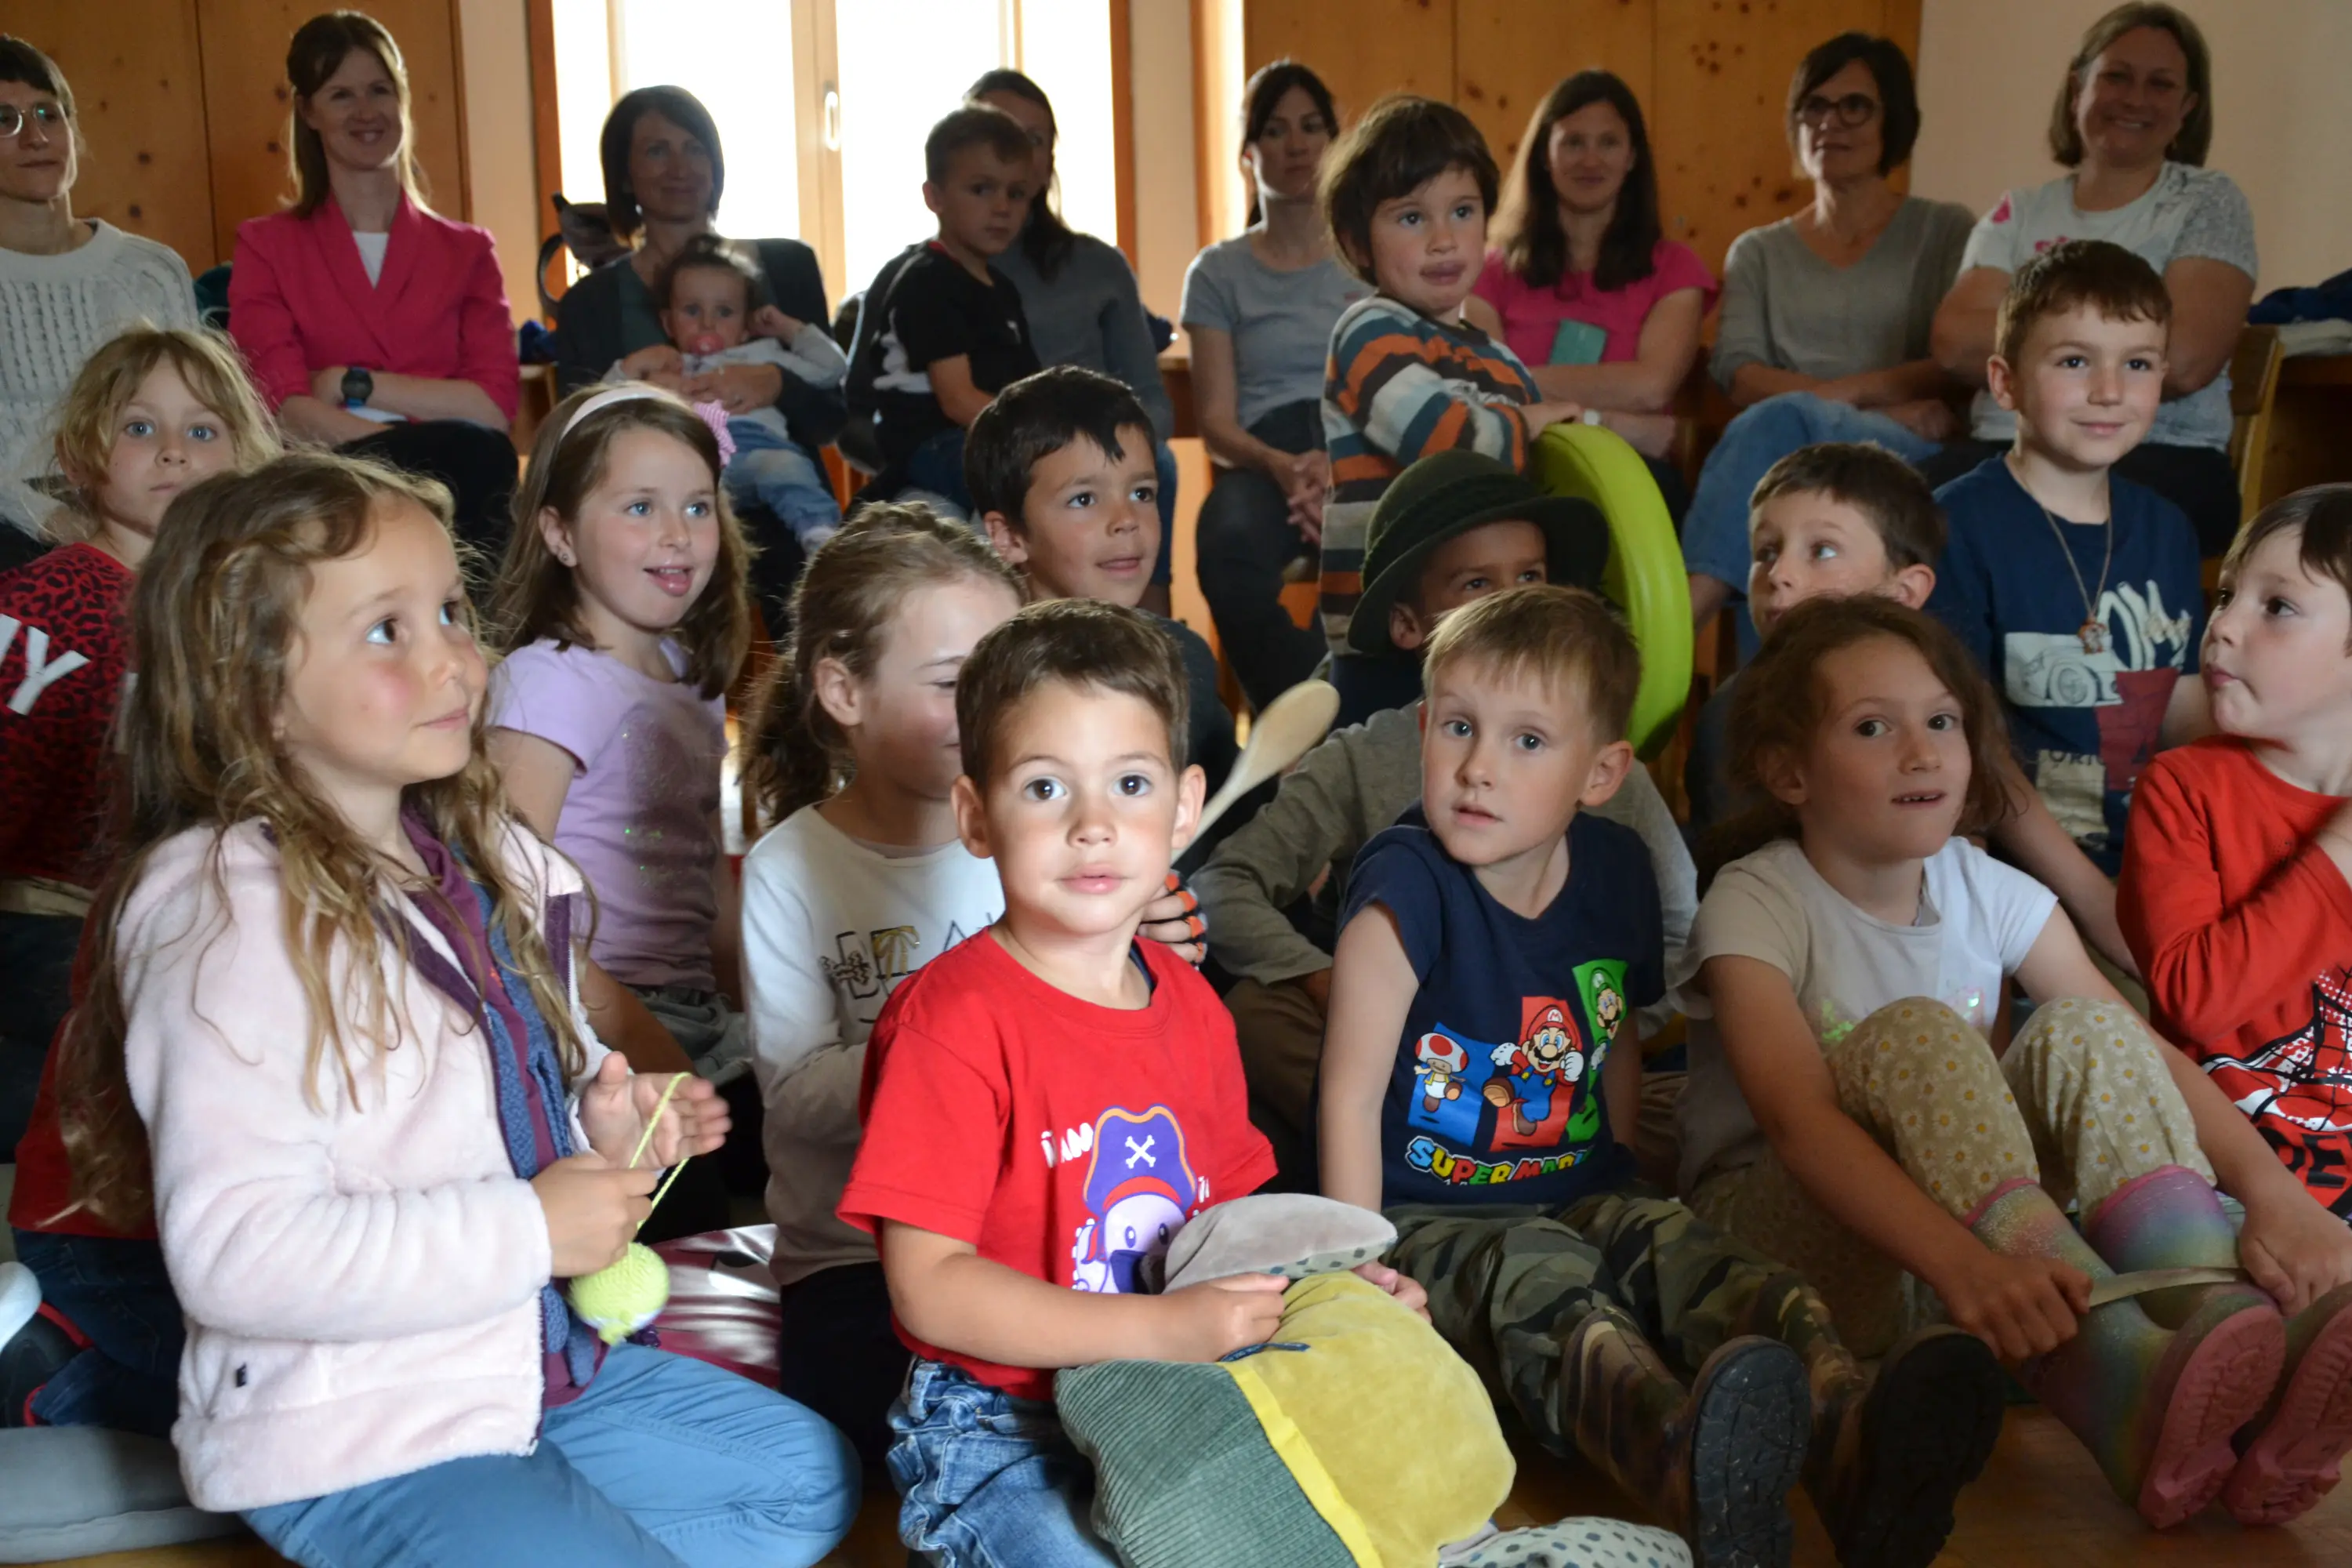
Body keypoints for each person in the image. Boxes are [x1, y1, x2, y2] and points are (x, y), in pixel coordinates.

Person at [33, 451, 858, 1564]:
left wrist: (599, 1133)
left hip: (520, 1373)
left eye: (452, 612)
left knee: (803, 1485)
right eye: (387, 630)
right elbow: (240, 1253)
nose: (455, 661)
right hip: (365, 1428)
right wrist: (533, 1228)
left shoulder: (469, 860)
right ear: (249, 686)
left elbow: (469, 1127)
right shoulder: (227, 915)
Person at [1319, 585, 2002, 1568]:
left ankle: (1854, 1438)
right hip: (1437, 1216)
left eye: (1526, 741)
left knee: (1710, 1264)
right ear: (1425, 728)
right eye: (1459, 728)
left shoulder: (1616, 870)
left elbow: (1617, 1037)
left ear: (1600, 773)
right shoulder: (1404, 885)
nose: (1476, 768)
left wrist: (1633, 1170)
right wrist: (1359, 1270)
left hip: (1585, 1186)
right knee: (1551, 1290)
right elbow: (1348, 1085)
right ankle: (1683, 1457)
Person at [1679, 593, 2352, 1530]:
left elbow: (2145, 1053)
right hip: (1787, 1262)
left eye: (1942, 721)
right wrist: (1967, 1263)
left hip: (1982, 1278)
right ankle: (2110, 1359)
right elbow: (1798, 1122)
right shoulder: (1755, 901)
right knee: (1924, 1031)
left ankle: (2207, 1340)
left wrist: (2276, 1193)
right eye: (1873, 726)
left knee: (2095, 1029)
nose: (1922, 751)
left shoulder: (1989, 889)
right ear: (1787, 771)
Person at [837, 597, 1424, 1566]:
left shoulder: (1194, 1005)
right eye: (1043, 788)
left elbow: (1235, 1220)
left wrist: (1330, 1288)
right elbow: (930, 1288)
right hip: (1001, 1426)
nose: (1094, 825)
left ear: (1185, 806)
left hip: (1179, 1384)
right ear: (976, 815)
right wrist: (1159, 1326)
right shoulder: (951, 1021)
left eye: (1131, 782)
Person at [1196, 450, 1690, 1192]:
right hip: (1408, 1065)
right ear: (1408, 623)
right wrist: (1322, 978)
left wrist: (1558, 1049)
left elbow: (1677, 942)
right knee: (1252, 1017)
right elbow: (1224, 882)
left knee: (1675, 1117)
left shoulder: (1607, 781)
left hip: (1555, 1067)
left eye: (1530, 578)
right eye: (1475, 587)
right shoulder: (1360, 759)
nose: (1510, 604)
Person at [1, 334, 276, 1436]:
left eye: (202, 430)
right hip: (50, 929)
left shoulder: (236, 608)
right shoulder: (64, 594)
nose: (173, 453)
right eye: (141, 429)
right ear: (81, 456)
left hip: (177, 929)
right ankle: (60, 1340)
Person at [735, 506, 1024, 1467]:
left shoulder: (1032, 840)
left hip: (1022, 1237)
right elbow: (800, 1097)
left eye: (1001, 677)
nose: (990, 711)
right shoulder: (787, 870)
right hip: (854, 1265)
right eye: (952, 684)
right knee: (956, 1429)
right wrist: (962, 1038)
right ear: (842, 688)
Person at [1688, 443, 2139, 978]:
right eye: (1766, 552)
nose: (1779, 574)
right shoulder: (1734, 717)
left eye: (1822, 550)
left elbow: (2056, 888)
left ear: (1906, 590)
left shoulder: (1946, 695)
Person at [486, 387, 752, 1109]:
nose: (678, 533)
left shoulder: (688, 676)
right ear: (561, 534)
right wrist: (640, 1038)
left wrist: (744, 1003)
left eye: (698, 507)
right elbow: (509, 895)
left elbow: (705, 876)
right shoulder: (547, 680)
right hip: (585, 1011)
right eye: (641, 507)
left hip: (694, 1008)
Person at [1924, 3, 2253, 557]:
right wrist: (2119, 337)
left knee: (2018, 518)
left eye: (2161, 84)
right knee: (1884, 512)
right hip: (2002, 445)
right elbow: (1954, 343)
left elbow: (2189, 355)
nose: (2134, 99)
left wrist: (2038, 330)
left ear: (2187, 107)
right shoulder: (2019, 212)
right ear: (2078, 88)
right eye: (2116, 76)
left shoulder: (2207, 203)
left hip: (2159, 453)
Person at [1680, 34, 1974, 642]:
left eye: (1854, 106)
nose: (1829, 123)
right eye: (1814, 106)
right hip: (1788, 454)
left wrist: (1829, 404)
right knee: (1779, 440)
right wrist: (1859, 401)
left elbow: (1952, 359)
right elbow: (1736, 368)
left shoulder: (1944, 229)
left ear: (1892, 119)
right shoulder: (1758, 251)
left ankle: (1679, 622)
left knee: (1779, 425)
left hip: (1904, 456)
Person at [1928, 241, 2206, 880]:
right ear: (2006, 382)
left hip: (2152, 863)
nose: (2109, 391)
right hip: (2013, 874)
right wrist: (2097, 906)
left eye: (2137, 363)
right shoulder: (1957, 527)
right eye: (2075, 360)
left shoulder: (2168, 531)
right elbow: (1971, 753)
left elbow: (2185, 718)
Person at [2123, 490, 2352, 1246]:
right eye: (2225, 597)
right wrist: (2340, 855)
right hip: (2218, 1176)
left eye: (2276, 606)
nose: (2221, 626)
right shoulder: (2184, 789)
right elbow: (2194, 998)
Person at [227, 12, 520, 561]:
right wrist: (394, 457)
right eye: (341, 95)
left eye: (379, 90)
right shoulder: (267, 245)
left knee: (479, 453)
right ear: (309, 113)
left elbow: (492, 407)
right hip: (325, 487)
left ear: (402, 101)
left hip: (463, 484)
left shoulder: (469, 251)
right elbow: (282, 409)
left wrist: (348, 380)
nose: (366, 112)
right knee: (471, 452)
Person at [552, 84, 840, 626]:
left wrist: (776, 382)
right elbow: (576, 436)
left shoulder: (788, 266)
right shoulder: (590, 303)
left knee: (813, 586)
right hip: (652, 511)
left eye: (695, 148)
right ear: (624, 175)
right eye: (656, 150)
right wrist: (646, 401)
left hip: (782, 492)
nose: (679, 166)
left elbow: (833, 413)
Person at [1315, 94, 1581, 660]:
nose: (1443, 239)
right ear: (1360, 241)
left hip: (1488, 632)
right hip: (1386, 640)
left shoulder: (1502, 362)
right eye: (1412, 218)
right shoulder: (1369, 331)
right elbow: (1445, 449)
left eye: (1463, 212)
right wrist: (1530, 422)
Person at [1181, 59, 1367, 710]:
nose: (1296, 145)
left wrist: (1342, 468)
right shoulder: (1217, 272)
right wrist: (1286, 467)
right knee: (1225, 545)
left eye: (1313, 127)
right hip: (1263, 458)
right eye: (1277, 130)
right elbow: (1216, 425)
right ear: (1248, 154)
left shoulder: (1370, 256)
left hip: (1366, 440)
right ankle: (1314, 719)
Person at [966, 366, 1237, 797]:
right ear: (1010, 537)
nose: (1126, 521)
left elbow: (1240, 815)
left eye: (1142, 493)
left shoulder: (1187, 663)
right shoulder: (984, 685)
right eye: (1084, 499)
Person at [967, 69, 1179, 611]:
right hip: (982, 462)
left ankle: (1151, 639)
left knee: (1153, 465)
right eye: (998, 130)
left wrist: (1099, 454)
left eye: (1033, 139)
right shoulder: (922, 279)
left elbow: (1153, 398)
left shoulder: (1099, 267)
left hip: (1098, 449)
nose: (1016, 151)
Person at [1465, 70, 1717, 512]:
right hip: (1515, 466)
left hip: (1629, 473)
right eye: (1574, 142)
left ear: (1633, 156)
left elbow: (1651, 388)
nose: (1590, 160)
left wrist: (1521, 381)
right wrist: (1612, 420)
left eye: (1608, 142)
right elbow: (1485, 390)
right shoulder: (1487, 272)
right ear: (1545, 154)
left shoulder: (1675, 268)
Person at [0, 35, 198, 564]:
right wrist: (73, 531)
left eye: (49, 114)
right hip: (23, 532)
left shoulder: (151, 269)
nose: (36, 137)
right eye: (6, 121)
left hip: (158, 510)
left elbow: (199, 415)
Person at [853, 105, 1041, 516]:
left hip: (980, 435)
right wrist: (1033, 441)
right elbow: (957, 400)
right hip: (931, 444)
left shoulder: (1003, 289)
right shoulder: (927, 281)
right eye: (981, 189)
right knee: (1020, 491)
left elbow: (1028, 387)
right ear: (934, 197)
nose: (1002, 207)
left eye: (1016, 193)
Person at [610, 234, 846, 553]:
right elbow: (599, 404)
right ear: (669, 322)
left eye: (724, 312)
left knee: (787, 469)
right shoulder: (667, 366)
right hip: (694, 461)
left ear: (746, 325)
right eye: (692, 311)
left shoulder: (765, 355)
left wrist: (788, 328)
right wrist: (631, 367)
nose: (708, 324)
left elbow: (831, 367)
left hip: (759, 449)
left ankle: (820, 537)